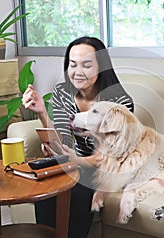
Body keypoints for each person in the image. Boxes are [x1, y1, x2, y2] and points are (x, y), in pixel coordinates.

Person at [22, 36, 134, 237]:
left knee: (78, 189)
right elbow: (62, 141)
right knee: (49, 186)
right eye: (72, 64)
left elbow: (110, 156)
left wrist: (77, 160)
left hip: (109, 168)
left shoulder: (118, 102)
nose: (77, 72)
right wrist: (41, 112)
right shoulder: (63, 92)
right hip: (76, 163)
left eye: (87, 65)